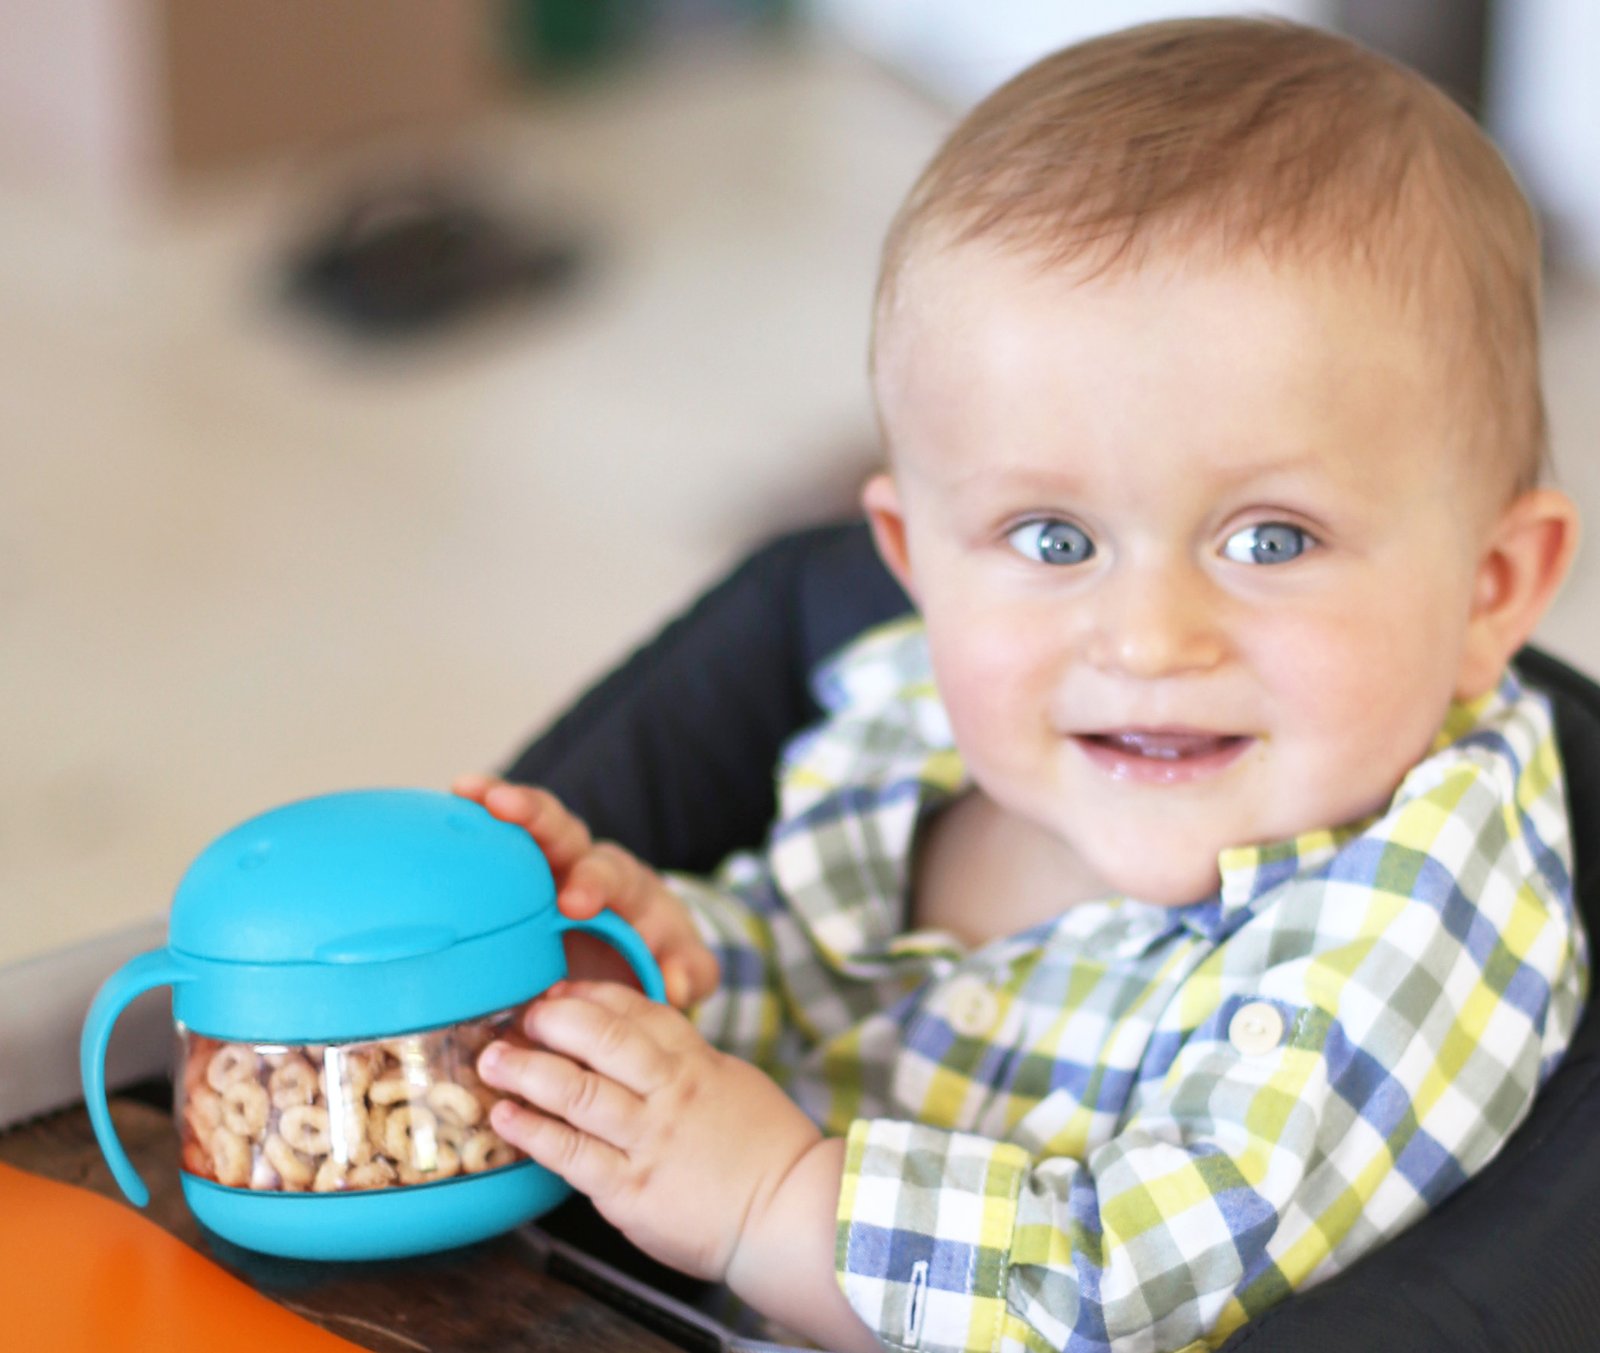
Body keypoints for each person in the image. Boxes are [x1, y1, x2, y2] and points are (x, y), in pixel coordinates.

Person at [454, 17, 1588, 1352]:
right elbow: (807, 986)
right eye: (1053, 540)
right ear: (914, 561)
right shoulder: (906, 716)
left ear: (1493, 589)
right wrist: (646, 973)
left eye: (1271, 540)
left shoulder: (1412, 913)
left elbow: (1120, 1298)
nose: (1148, 639)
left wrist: (771, 1201)